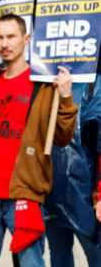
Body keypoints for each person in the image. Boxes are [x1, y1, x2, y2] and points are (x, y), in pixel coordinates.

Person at [0, 14, 77, 266]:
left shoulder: (44, 87)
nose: (4, 43)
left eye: (11, 36)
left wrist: (65, 98)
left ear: (26, 39)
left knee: (31, 263)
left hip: (25, 193)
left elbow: (62, 138)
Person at [45, 61, 101, 267]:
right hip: (49, 189)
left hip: (85, 191)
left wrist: (100, 190)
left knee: (96, 253)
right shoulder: (43, 85)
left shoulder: (94, 86)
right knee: (58, 254)